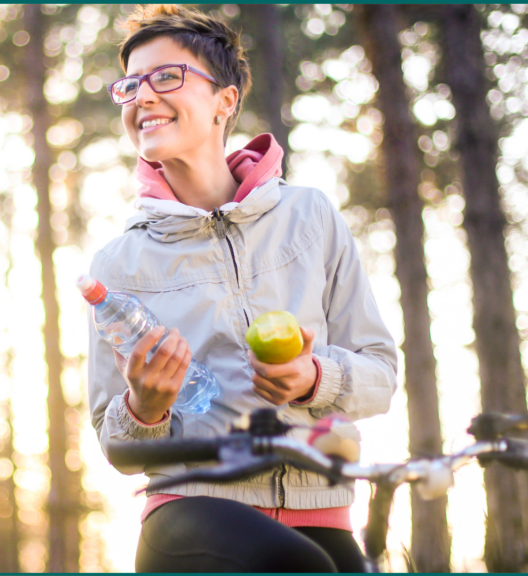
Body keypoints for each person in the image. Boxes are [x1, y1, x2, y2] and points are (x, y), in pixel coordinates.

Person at [86, 5, 398, 572]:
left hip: (321, 511)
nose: (142, 97)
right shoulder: (118, 263)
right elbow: (117, 444)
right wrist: (146, 407)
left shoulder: (311, 216)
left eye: (166, 77)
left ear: (225, 101)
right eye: (130, 85)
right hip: (193, 508)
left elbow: (380, 375)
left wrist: (313, 378)